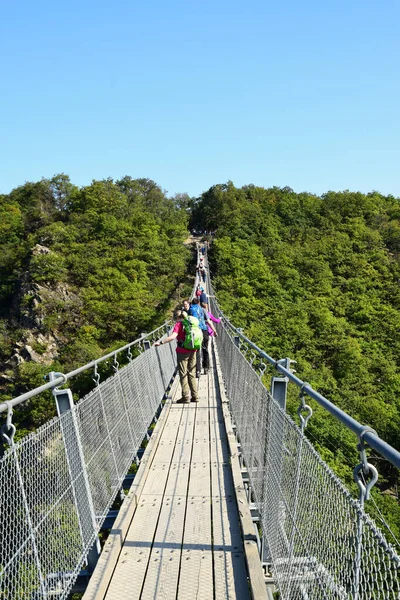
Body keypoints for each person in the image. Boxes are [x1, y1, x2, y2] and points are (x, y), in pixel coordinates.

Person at [154, 309, 198, 403]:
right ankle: (195, 396)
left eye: (175, 319)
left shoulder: (179, 324)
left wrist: (160, 342)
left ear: (178, 318)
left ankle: (186, 396)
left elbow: (173, 337)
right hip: (193, 350)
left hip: (182, 351)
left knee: (183, 373)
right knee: (191, 373)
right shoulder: (191, 322)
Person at [189, 297, 216, 375]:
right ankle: (206, 367)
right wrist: (214, 331)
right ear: (199, 303)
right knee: (205, 349)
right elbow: (209, 321)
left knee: (196, 350)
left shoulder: (190, 310)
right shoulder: (203, 310)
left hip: (195, 332)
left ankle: (197, 370)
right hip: (204, 331)